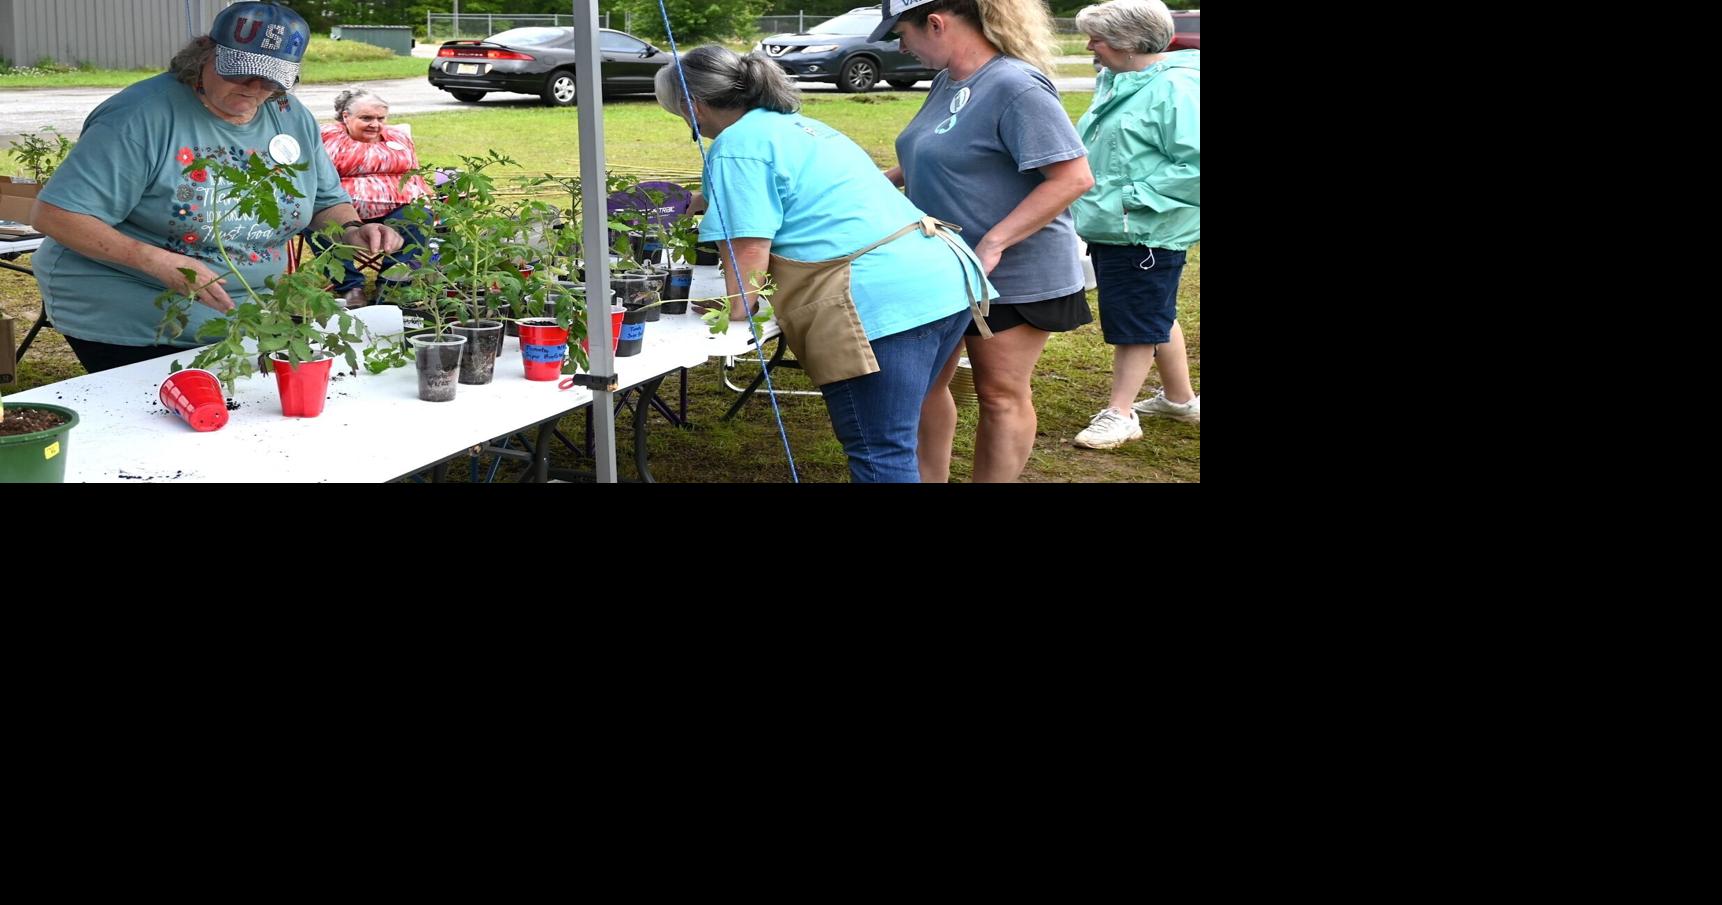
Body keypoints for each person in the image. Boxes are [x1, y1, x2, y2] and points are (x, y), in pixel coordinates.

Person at [656, 45, 995, 483]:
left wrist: (737, 306)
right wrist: (690, 202)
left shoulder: (735, 145)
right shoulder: (796, 126)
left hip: (883, 301)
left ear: (692, 106)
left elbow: (750, 247)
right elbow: (794, 190)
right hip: (944, 278)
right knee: (902, 429)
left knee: (879, 450)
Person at [29, 1, 401, 373]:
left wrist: (353, 230)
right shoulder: (140, 116)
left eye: (271, 79)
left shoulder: (287, 112)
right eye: (241, 73)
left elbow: (325, 199)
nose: (255, 89)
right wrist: (158, 261)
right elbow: (56, 215)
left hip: (251, 310)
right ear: (205, 52)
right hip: (135, 310)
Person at [875, 0, 1096, 483]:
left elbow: (1073, 177)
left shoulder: (1015, 85)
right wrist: (874, 184)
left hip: (1010, 274)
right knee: (925, 387)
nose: (899, 46)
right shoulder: (947, 81)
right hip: (945, 268)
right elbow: (931, 154)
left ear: (935, 23)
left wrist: (994, 242)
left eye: (901, 33)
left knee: (999, 393)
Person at [1069, 0, 1200, 449]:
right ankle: (1180, 399)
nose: (1089, 47)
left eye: (1097, 38)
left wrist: (1131, 199)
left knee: (1137, 320)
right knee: (1153, 307)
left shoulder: (1178, 88)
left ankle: (1120, 413)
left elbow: (1196, 165)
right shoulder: (1119, 79)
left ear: (1130, 42)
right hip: (1115, 222)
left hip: (1144, 228)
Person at [306, 87, 433, 307]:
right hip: (342, 211)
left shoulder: (398, 136)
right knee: (319, 221)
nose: (375, 124)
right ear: (346, 116)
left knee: (421, 217)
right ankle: (350, 287)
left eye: (380, 118)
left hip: (396, 209)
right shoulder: (328, 135)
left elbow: (413, 170)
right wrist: (389, 159)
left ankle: (393, 284)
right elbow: (340, 163)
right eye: (366, 118)